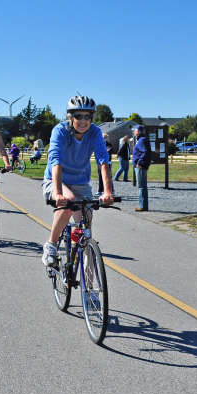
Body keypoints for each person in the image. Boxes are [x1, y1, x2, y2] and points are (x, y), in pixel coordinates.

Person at [41, 96, 114, 267]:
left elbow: (103, 161)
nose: (83, 121)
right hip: (55, 180)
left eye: (87, 116)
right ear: (70, 117)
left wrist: (108, 192)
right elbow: (55, 162)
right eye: (78, 116)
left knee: (86, 225)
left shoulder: (95, 132)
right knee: (69, 202)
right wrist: (58, 193)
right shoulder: (60, 131)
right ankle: (50, 246)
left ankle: (90, 290)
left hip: (80, 182)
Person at [132, 125, 151, 212]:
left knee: (141, 186)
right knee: (143, 186)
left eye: (134, 130)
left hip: (140, 166)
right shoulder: (142, 140)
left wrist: (139, 162)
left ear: (138, 131)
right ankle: (144, 206)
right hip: (142, 166)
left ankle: (142, 206)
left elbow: (145, 152)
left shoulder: (142, 140)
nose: (133, 132)